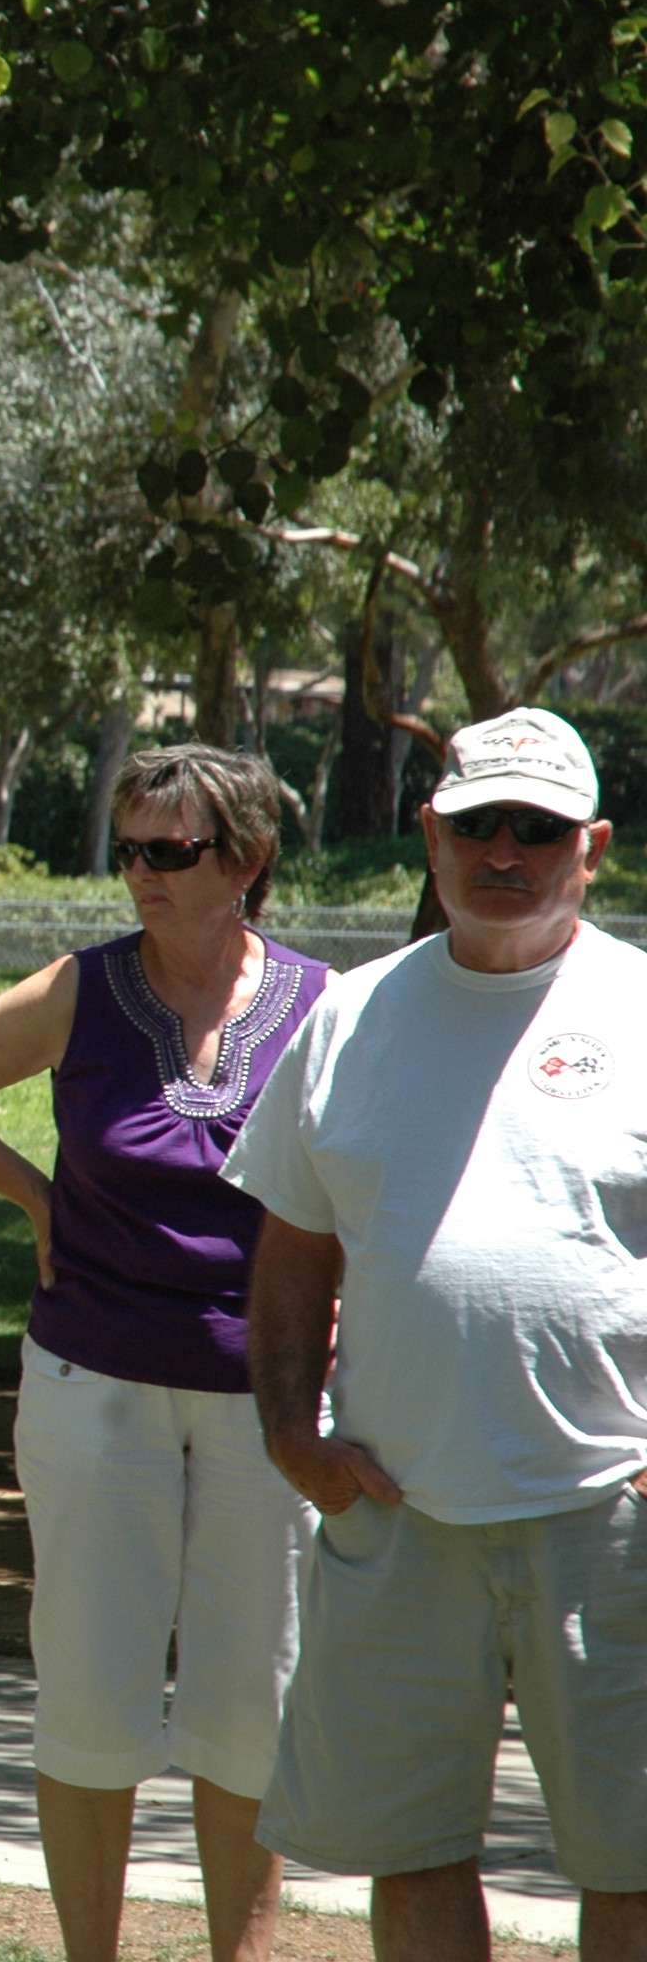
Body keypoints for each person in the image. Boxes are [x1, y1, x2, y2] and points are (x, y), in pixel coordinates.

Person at [0, 743, 328, 1962]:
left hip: (264, 1403)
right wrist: (36, 1199)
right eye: (126, 848)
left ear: (247, 859)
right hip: (91, 1389)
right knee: (88, 1695)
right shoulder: (81, 990)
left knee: (249, 1707)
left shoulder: (326, 1008)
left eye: (170, 851)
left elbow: (375, 1184)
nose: (140, 874)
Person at [223, 707, 647, 1962]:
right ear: (430, 834)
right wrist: (294, 1444)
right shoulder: (347, 1018)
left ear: (592, 846)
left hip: (607, 1513)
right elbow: (292, 1248)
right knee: (407, 1854)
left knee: (630, 1862)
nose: (502, 848)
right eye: (476, 823)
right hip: (394, 1512)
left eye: (536, 826)